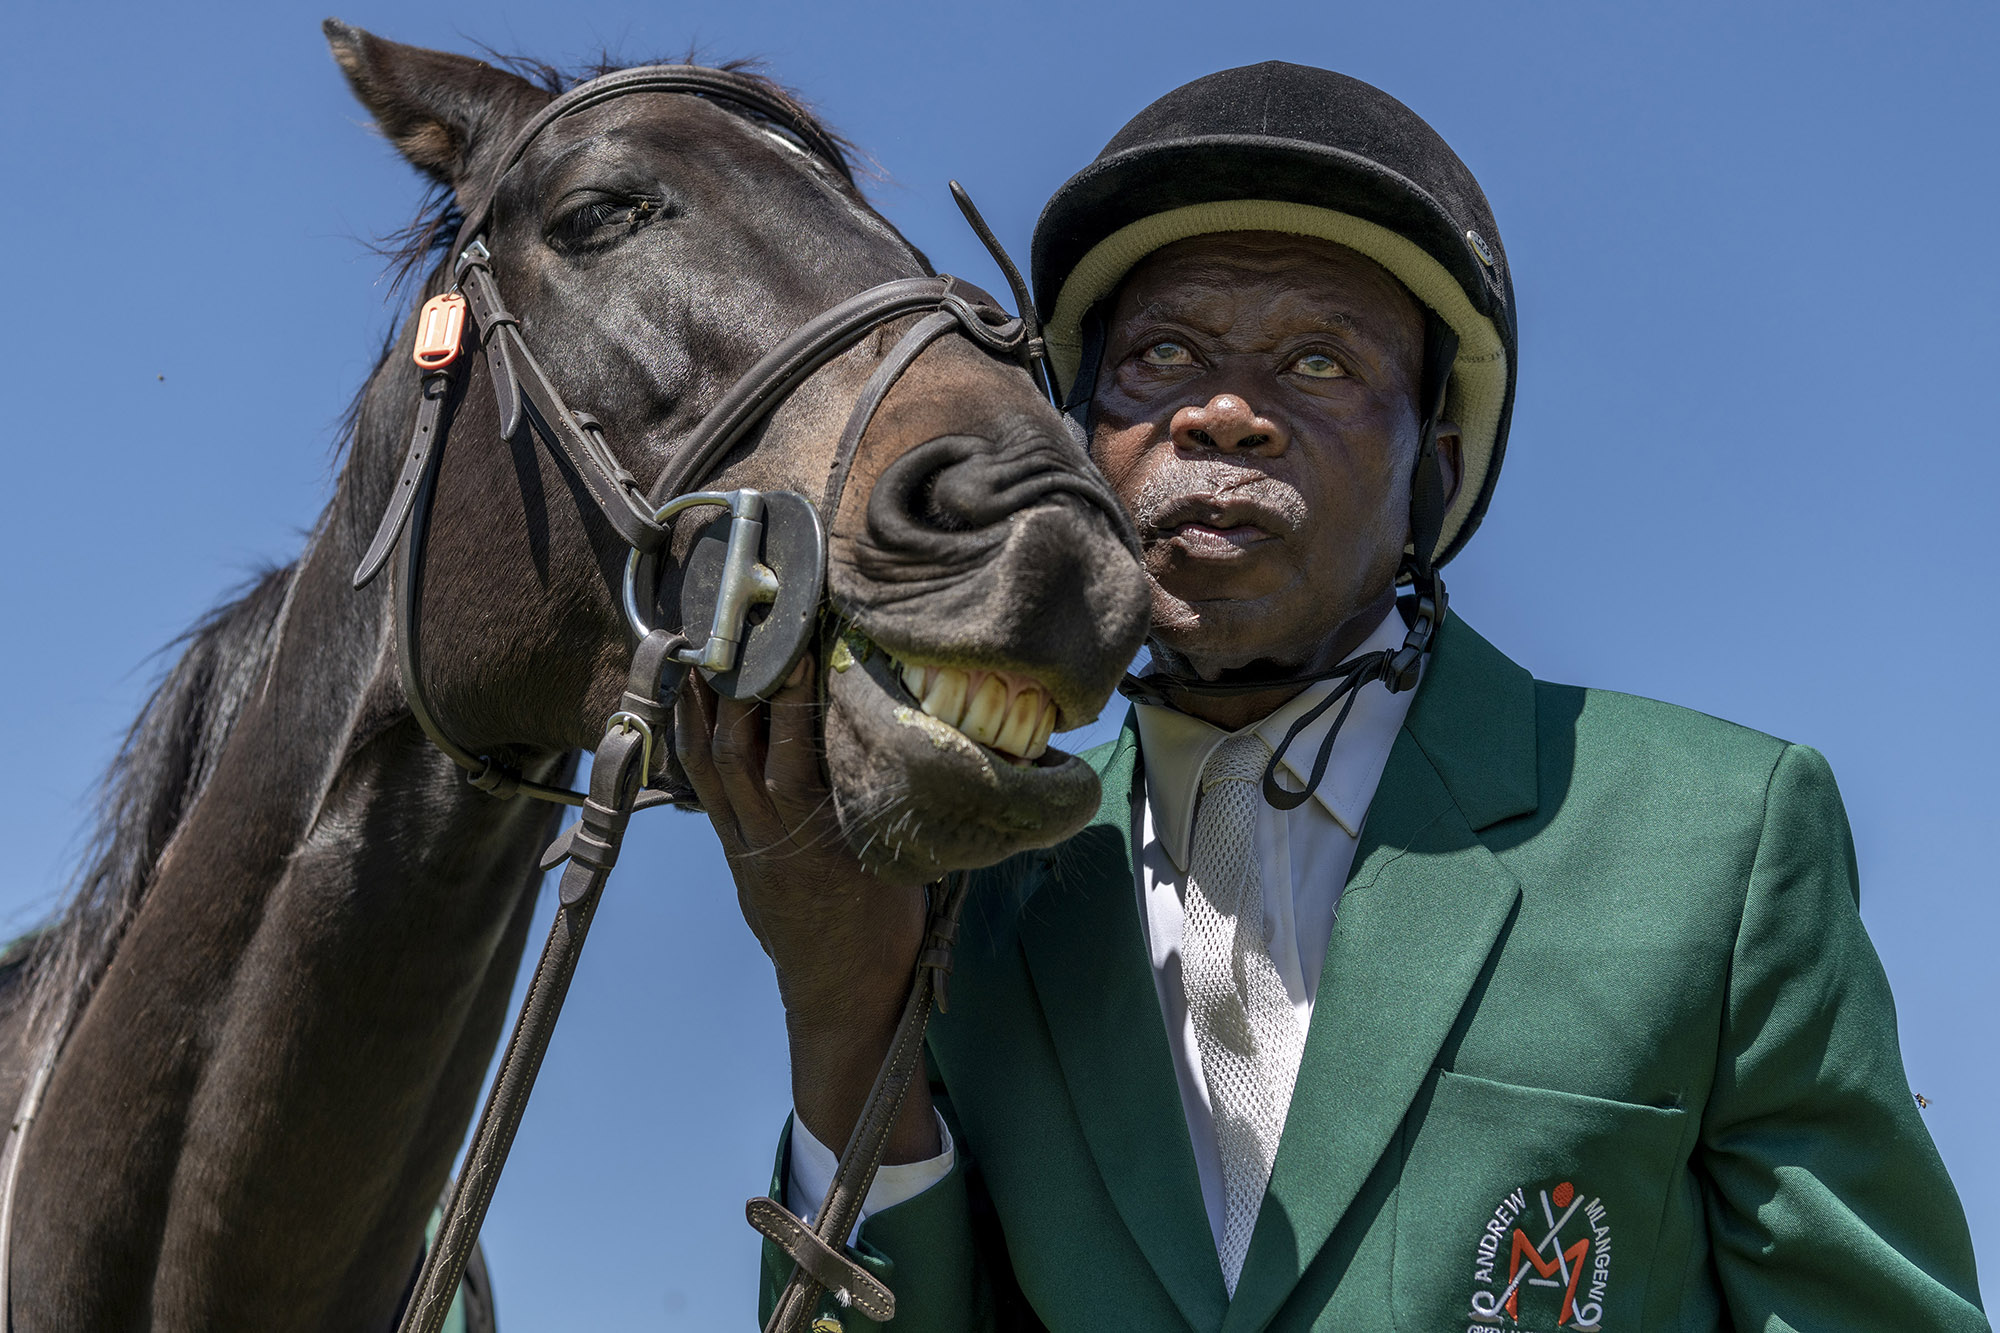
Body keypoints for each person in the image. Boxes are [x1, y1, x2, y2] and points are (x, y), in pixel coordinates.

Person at [677, 62, 1988, 1332]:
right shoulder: (988, 894)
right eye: (1164, 353)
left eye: (1319, 365)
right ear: (1078, 444)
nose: (1227, 413)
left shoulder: (1718, 840)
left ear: (1438, 469)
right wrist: (844, 1010)